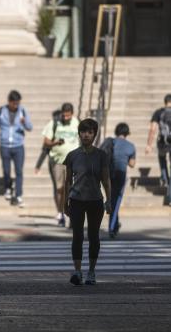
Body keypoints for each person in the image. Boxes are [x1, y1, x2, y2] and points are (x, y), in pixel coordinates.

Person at [63, 119, 112, 286]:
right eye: (83, 132)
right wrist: (65, 202)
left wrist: (109, 200)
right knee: (77, 236)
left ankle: (91, 271)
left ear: (94, 135)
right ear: (79, 134)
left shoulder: (101, 156)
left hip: (95, 201)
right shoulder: (72, 156)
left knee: (93, 237)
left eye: (90, 132)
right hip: (76, 200)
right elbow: (68, 181)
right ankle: (77, 271)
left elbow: (106, 180)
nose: (86, 135)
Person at [0, 90, 33, 207]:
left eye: (17, 103)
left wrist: (25, 122)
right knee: (6, 170)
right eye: (14, 103)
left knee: (19, 171)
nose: (16, 106)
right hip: (5, 146)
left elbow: (30, 127)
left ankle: (18, 195)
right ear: (9, 102)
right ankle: (8, 188)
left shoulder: (22, 111)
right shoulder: (0, 111)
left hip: (18, 146)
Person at [41, 103, 80, 227]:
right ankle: (60, 212)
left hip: (73, 162)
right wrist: (55, 142)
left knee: (72, 189)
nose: (66, 118)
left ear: (72, 114)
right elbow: (46, 141)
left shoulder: (77, 123)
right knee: (60, 189)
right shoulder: (54, 123)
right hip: (58, 161)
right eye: (64, 115)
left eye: (68, 116)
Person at [106, 123, 136, 239]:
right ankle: (112, 227)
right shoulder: (130, 146)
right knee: (117, 200)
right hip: (120, 174)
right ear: (127, 133)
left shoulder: (110, 142)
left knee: (112, 199)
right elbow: (132, 164)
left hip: (107, 174)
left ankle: (115, 224)